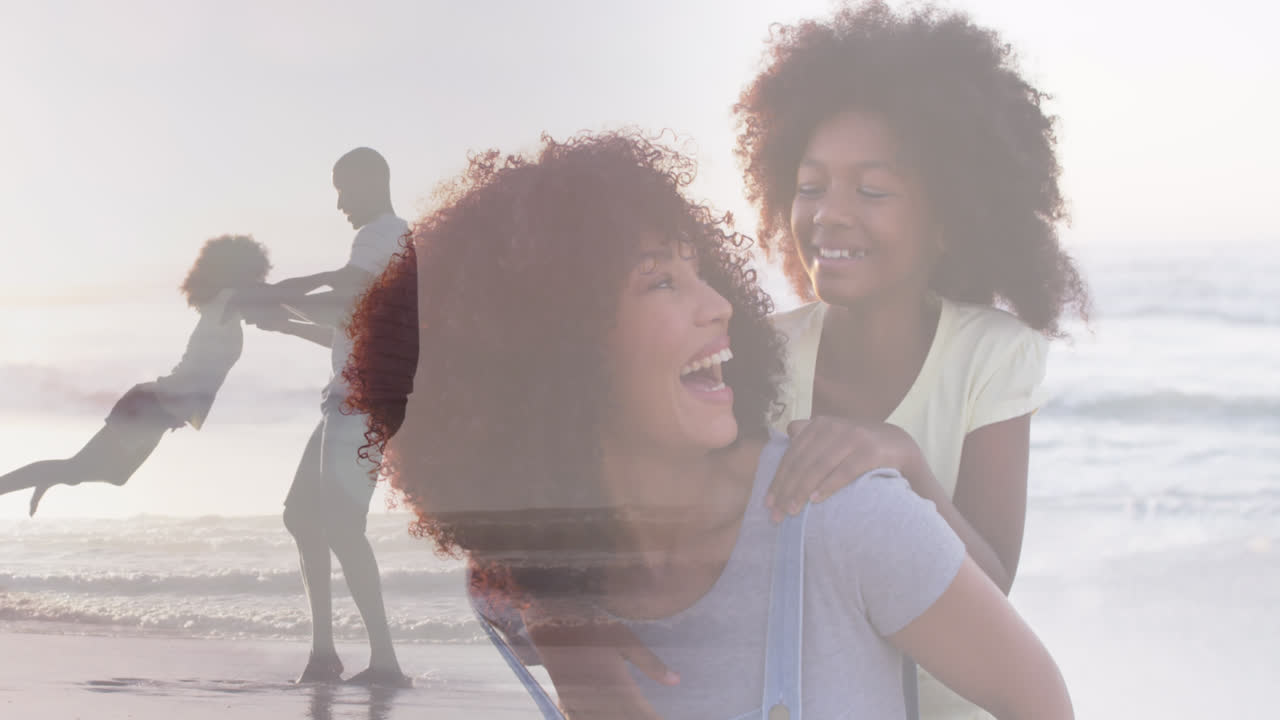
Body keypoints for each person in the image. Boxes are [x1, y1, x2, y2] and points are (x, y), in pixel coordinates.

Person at [342, 131, 1074, 719]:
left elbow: (1041, 704)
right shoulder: (530, 582)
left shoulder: (847, 516)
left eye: (699, 271)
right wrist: (558, 624)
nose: (719, 306)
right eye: (661, 280)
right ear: (555, 350)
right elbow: (499, 581)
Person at [732, 3, 1092, 717]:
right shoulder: (759, 355)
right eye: (809, 186)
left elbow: (991, 587)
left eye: (872, 190)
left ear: (952, 218)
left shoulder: (992, 355)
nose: (829, 214)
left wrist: (905, 459)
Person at [231, 147, 409, 686]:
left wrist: (287, 291)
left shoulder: (382, 232)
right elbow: (347, 325)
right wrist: (283, 319)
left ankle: (385, 663)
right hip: (347, 397)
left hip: (360, 401)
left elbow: (347, 292)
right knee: (303, 516)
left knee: (339, 524)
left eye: (344, 188)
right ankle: (325, 655)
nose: (339, 204)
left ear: (372, 182)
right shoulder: (383, 241)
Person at [0, 234, 271, 516]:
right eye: (254, 273)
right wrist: (320, 280)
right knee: (75, 469)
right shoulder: (226, 301)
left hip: (161, 408)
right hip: (151, 405)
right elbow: (277, 295)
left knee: (112, 476)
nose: (259, 280)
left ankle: (51, 475)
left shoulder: (223, 308)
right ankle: (43, 476)